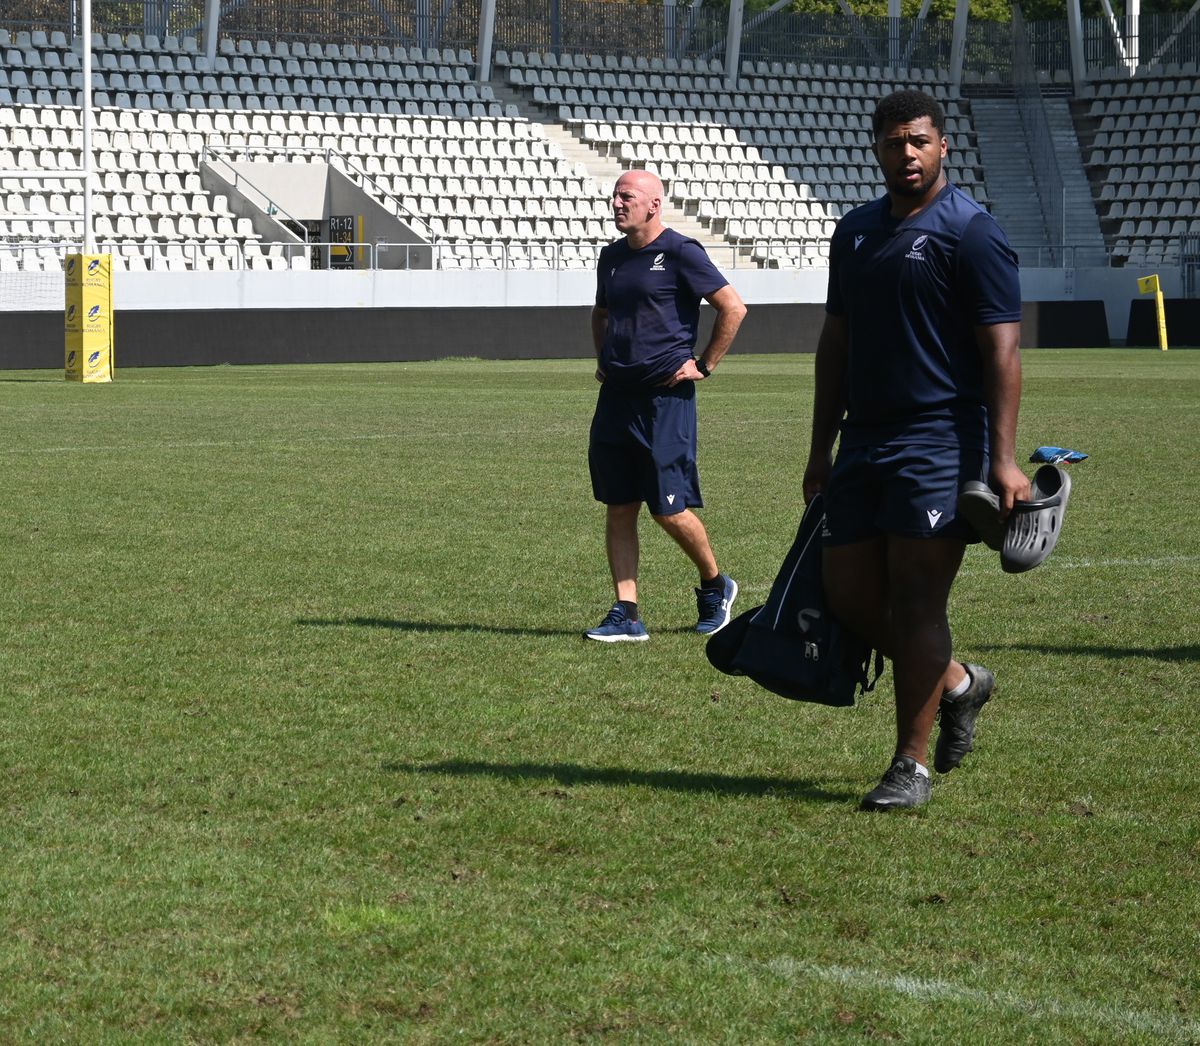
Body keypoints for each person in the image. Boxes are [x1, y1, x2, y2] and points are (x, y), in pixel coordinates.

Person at [802, 89, 1028, 810]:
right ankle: (961, 683)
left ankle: (910, 765)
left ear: (942, 147)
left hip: (939, 440)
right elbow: (835, 341)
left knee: (917, 598)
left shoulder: (973, 232)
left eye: (919, 141)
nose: (907, 154)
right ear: (876, 146)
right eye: (895, 142)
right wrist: (819, 448)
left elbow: (1002, 349)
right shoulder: (856, 231)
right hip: (863, 439)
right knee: (847, 595)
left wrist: (1003, 457)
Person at [585, 169, 747, 642]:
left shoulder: (680, 252)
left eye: (626, 196)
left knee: (668, 509)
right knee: (619, 506)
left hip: (664, 400)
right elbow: (601, 313)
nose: (617, 203)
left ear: (653, 205)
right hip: (616, 398)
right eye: (615, 195)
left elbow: (733, 307)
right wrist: (603, 358)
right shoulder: (611, 257)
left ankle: (716, 584)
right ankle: (627, 612)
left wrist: (704, 364)